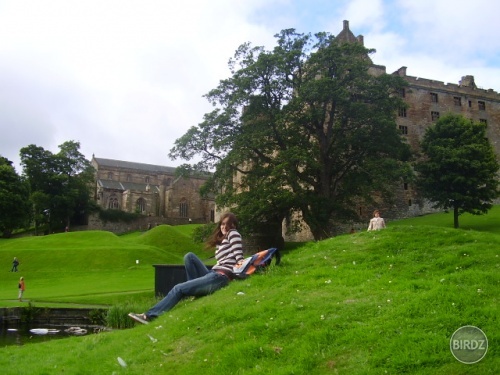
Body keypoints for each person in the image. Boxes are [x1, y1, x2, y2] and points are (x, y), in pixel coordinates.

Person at [128, 212, 244, 324]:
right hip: (212, 274)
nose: (223, 227)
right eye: (222, 224)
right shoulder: (222, 239)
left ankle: (149, 316)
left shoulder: (233, 233)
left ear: (233, 225)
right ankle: (195, 292)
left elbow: (239, 258)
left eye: (226, 224)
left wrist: (241, 275)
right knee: (189, 257)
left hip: (220, 276)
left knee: (178, 288)